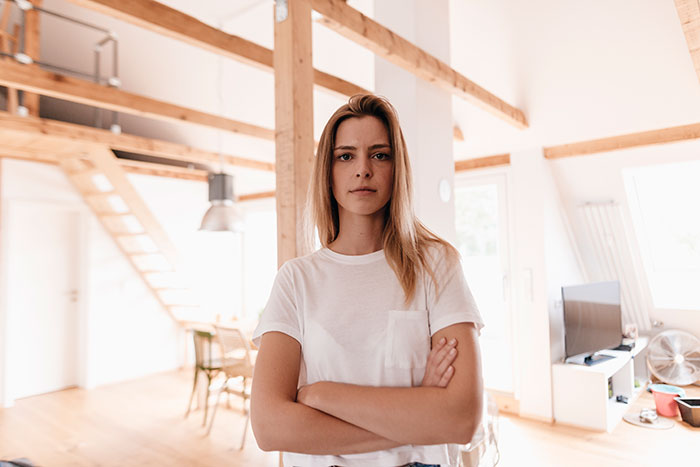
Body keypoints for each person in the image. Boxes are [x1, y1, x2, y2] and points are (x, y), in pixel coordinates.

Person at [251, 94, 484, 467]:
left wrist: (320, 395)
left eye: (380, 154)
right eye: (346, 156)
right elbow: (269, 427)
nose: (363, 169)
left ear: (397, 168)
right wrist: (419, 414)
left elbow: (462, 419)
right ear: (328, 171)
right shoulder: (296, 280)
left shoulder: (436, 265)